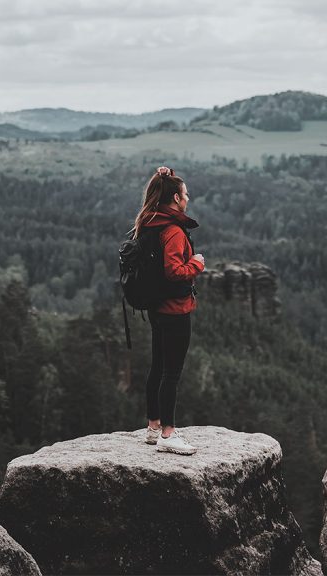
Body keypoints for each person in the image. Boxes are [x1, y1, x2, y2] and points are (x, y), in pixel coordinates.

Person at [133, 166, 205, 455]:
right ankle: (168, 434)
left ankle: (153, 427)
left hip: (156, 307)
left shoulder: (150, 221)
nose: (188, 198)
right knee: (171, 373)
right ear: (175, 198)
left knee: (158, 367)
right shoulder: (173, 231)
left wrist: (165, 174)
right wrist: (197, 264)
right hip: (175, 309)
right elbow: (175, 271)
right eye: (185, 194)